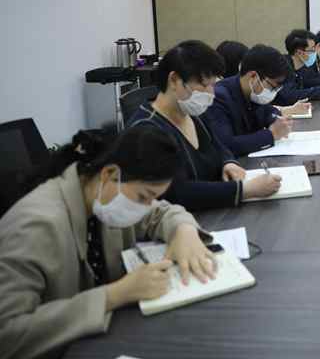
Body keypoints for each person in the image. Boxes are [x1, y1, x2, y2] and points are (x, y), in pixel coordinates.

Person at [0, 126, 217, 359]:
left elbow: (161, 212)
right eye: (144, 197)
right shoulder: (35, 226)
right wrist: (115, 294)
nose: (147, 206)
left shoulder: (100, 195)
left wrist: (184, 231)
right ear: (109, 174)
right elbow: (7, 334)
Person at [129, 40, 282, 210]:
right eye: (204, 85)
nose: (211, 93)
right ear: (174, 80)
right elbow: (177, 192)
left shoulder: (193, 114)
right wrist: (244, 190)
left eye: (213, 85)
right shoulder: (146, 130)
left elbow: (219, 145)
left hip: (213, 211)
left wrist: (228, 162)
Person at [204, 44, 309, 157]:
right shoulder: (219, 97)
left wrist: (277, 120)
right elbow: (226, 145)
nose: (273, 92)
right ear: (253, 76)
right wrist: (271, 134)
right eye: (273, 87)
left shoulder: (253, 93)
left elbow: (268, 111)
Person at [273, 30, 320, 106]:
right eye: (313, 49)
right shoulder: (283, 67)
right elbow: (289, 96)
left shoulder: (300, 68)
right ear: (299, 53)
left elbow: (304, 87)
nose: (316, 52)